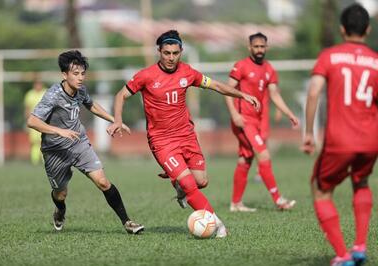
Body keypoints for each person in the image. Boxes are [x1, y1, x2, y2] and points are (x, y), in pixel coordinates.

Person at [107, 30, 260, 238]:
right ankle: (217, 225)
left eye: (175, 53)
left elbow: (215, 85)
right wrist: (117, 119)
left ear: (181, 52)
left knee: (200, 181)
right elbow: (121, 95)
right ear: (159, 51)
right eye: (167, 53)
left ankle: (180, 187)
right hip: (161, 141)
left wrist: (241, 94)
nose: (171, 58)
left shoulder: (187, 73)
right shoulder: (146, 75)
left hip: (187, 136)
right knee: (189, 184)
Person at [27, 50, 144, 234]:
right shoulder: (53, 95)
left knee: (103, 182)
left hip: (78, 143)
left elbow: (91, 105)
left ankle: (127, 222)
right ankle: (60, 210)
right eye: (75, 74)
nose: (80, 78)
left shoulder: (81, 90)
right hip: (54, 150)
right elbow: (32, 121)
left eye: (82, 73)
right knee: (61, 193)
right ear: (64, 75)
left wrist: (115, 120)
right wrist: (59, 131)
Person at [302, 4, 378, 266]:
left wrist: (309, 133)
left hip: (340, 139)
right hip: (370, 140)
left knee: (320, 190)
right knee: (362, 182)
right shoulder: (376, 61)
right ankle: (359, 247)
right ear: (368, 29)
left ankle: (343, 256)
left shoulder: (330, 56)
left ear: (342, 29)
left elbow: (313, 92)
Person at [225, 32, 299, 212]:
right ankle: (279, 200)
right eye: (256, 46)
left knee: (245, 159)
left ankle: (236, 203)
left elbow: (274, 94)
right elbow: (227, 90)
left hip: (256, 121)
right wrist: (234, 114)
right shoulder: (241, 66)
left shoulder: (269, 69)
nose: (259, 50)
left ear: (266, 47)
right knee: (263, 155)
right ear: (249, 47)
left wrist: (289, 113)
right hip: (243, 121)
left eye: (262, 46)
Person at [24, 77, 46, 165]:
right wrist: (27, 121)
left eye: (39, 84)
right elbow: (27, 109)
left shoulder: (46, 93)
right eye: (36, 84)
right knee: (35, 142)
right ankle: (35, 161)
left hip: (45, 121)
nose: (38, 86)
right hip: (34, 121)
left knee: (45, 141)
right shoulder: (30, 94)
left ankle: (45, 160)